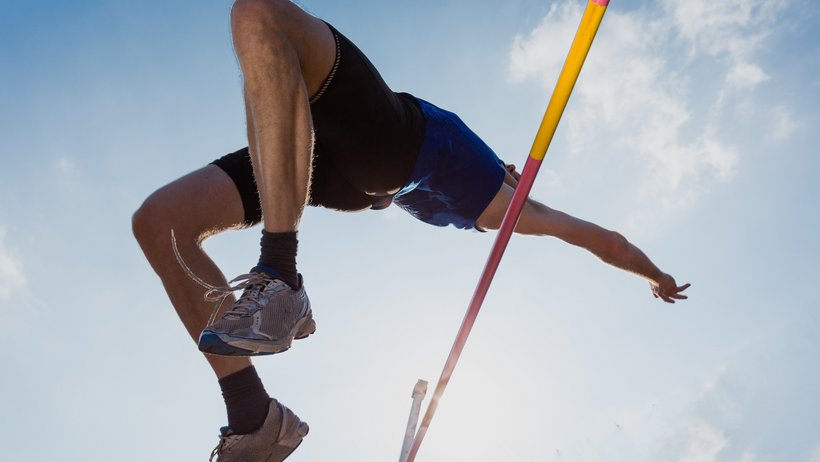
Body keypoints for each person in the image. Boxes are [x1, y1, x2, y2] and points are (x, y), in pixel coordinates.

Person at [132, 1, 690, 460]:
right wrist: (653, 276)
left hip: (387, 146)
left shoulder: (509, 204)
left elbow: (602, 241)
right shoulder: (489, 204)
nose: (514, 171)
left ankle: (280, 268)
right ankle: (251, 413)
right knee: (161, 224)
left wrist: (655, 273)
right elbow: (602, 241)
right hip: (334, 167)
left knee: (259, 14)